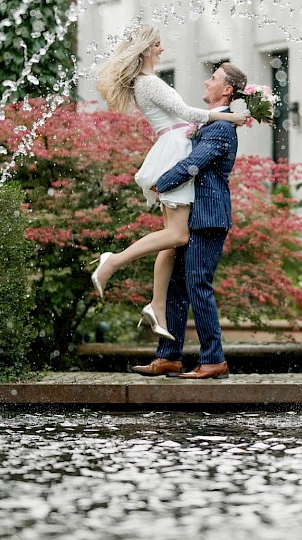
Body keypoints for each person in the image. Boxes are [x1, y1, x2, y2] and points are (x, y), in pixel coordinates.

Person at [91, 24, 248, 340]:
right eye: (159, 45)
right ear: (147, 48)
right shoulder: (148, 83)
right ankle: (113, 262)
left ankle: (157, 305)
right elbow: (188, 112)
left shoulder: (146, 83)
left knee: (172, 238)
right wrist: (232, 117)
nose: (162, 49)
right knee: (177, 235)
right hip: (173, 152)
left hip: (173, 148)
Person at [131, 63, 246, 379]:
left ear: (227, 90)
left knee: (197, 285)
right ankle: (168, 357)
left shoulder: (222, 128)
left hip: (209, 219)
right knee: (177, 287)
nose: (207, 81)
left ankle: (213, 359)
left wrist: (160, 182)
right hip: (194, 216)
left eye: (214, 78)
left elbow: (193, 164)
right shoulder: (207, 123)